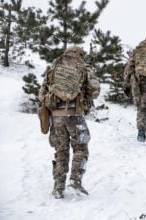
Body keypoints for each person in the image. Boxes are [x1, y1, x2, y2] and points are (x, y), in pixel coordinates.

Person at [38, 46, 100, 199]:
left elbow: (42, 95)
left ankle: (58, 188)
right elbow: (95, 91)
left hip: (56, 117)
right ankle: (75, 180)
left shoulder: (53, 68)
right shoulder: (84, 68)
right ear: (80, 55)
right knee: (81, 147)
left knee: (61, 151)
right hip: (75, 115)